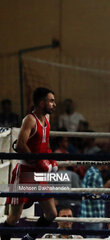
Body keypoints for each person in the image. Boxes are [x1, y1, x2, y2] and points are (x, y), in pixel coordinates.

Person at [1, 87, 58, 240]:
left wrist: (51, 160)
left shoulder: (47, 119)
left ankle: (29, 238)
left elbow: (45, 145)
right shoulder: (30, 119)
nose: (54, 104)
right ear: (41, 102)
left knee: (52, 213)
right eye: (51, 101)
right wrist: (39, 161)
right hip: (25, 172)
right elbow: (20, 145)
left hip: (39, 174)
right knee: (14, 216)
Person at [80, 165, 106, 235]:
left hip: (93, 213)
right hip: (93, 213)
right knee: (93, 237)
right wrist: (107, 186)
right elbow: (91, 194)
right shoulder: (94, 174)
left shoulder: (93, 172)